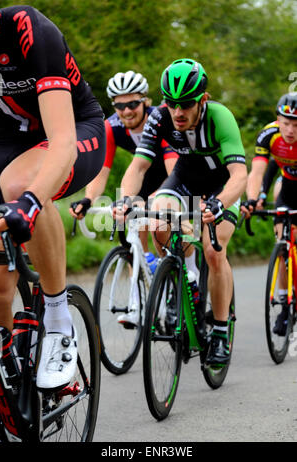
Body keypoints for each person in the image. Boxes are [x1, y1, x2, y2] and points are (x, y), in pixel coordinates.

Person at [0, 6, 106, 390]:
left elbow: (62, 141)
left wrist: (30, 200)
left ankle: (58, 317)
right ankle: (8, 374)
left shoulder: (27, 29)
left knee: (19, 186)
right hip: (5, 144)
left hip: (74, 130)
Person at [114, 58, 247, 366]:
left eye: (185, 104)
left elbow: (239, 175)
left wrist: (220, 202)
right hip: (184, 181)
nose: (178, 112)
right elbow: (139, 165)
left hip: (221, 186)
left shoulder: (220, 117)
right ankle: (179, 279)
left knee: (214, 252)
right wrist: (126, 199)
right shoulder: (159, 117)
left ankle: (220, 328)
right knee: (158, 217)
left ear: (202, 99)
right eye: (171, 103)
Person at [70, 70, 178, 326]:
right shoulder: (112, 127)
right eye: (119, 105)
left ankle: (179, 282)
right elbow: (101, 170)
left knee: (160, 227)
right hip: (142, 175)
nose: (126, 111)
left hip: (172, 171)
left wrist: (156, 199)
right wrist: (88, 200)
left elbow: (174, 171)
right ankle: (138, 304)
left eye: (132, 104)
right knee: (134, 236)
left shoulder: (161, 121)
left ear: (146, 101)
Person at [241, 92, 297, 336]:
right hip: (288, 188)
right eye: (286, 123)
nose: (290, 130)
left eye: (296, 125)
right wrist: (253, 199)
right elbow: (256, 172)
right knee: (282, 240)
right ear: (277, 119)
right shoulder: (269, 134)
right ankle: (285, 304)